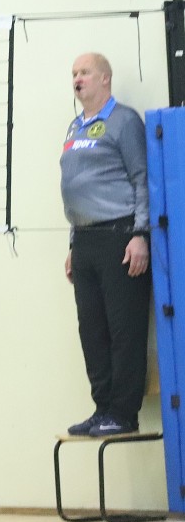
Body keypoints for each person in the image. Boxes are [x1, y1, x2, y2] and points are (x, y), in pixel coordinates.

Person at [61, 53, 151, 437]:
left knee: (124, 330)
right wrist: (73, 243)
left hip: (120, 237)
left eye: (85, 72)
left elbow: (142, 178)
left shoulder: (124, 121)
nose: (77, 79)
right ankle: (102, 409)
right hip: (84, 242)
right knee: (92, 331)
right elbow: (76, 187)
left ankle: (123, 413)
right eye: (74, 73)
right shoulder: (75, 126)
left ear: (105, 79)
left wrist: (140, 234)